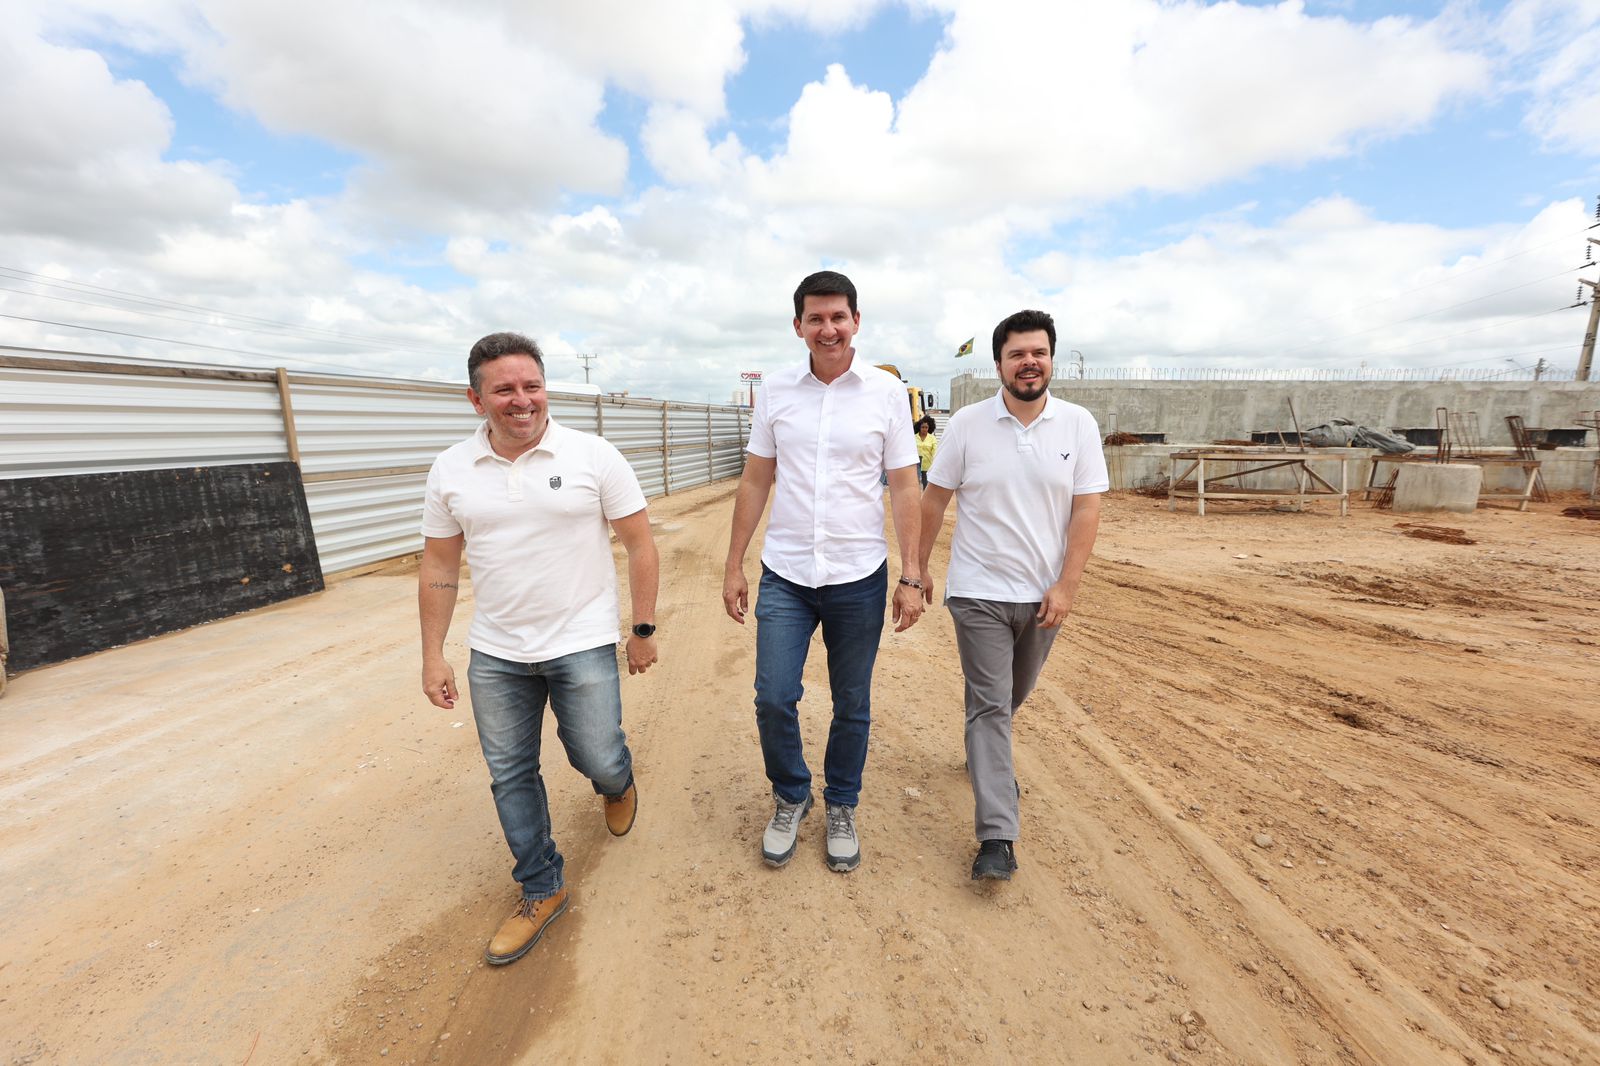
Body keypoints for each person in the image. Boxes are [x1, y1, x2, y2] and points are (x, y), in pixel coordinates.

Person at [418, 331, 660, 965]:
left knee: (598, 755)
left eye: (531, 386)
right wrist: (433, 652)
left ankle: (618, 781)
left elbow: (640, 544)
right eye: (504, 389)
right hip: (497, 652)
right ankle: (541, 888)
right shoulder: (450, 469)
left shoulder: (592, 455)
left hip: (581, 641)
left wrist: (642, 629)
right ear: (477, 400)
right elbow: (440, 566)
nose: (521, 400)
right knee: (510, 774)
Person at [723, 270, 924, 873]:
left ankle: (841, 802)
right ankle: (791, 795)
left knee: (851, 701)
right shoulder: (778, 392)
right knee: (773, 697)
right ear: (798, 326)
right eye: (816, 318)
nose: (828, 328)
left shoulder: (887, 394)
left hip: (858, 575)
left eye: (839, 317)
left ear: (856, 320)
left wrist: (912, 574)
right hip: (785, 571)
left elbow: (905, 485)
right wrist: (733, 563)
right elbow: (757, 478)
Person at [917, 309, 1107, 882]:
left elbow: (1087, 508)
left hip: (1044, 596)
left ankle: (982, 751)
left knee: (1009, 696)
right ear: (998, 363)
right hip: (978, 590)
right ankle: (997, 836)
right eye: (1018, 354)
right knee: (994, 704)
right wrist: (915, 569)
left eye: (1039, 353)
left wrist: (1067, 585)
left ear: (1051, 359)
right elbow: (934, 498)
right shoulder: (968, 426)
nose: (1029, 363)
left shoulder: (1078, 425)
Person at [915, 415, 938, 489]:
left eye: (926, 427)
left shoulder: (932, 438)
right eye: (922, 427)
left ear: (929, 428)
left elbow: (935, 450)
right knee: (915, 484)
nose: (924, 429)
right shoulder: (914, 437)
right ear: (919, 427)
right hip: (916, 464)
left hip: (927, 465)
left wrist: (935, 462)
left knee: (926, 486)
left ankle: (925, 499)